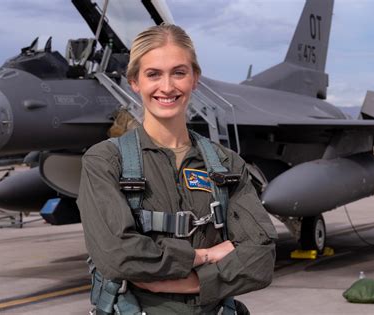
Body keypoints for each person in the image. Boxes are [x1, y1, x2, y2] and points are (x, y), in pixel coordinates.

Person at [77, 24, 277, 315]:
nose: (167, 87)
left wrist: (192, 282)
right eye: (153, 74)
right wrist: (204, 255)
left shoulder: (227, 164)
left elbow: (261, 256)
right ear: (134, 81)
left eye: (179, 73)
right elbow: (117, 255)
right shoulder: (106, 162)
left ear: (195, 78)